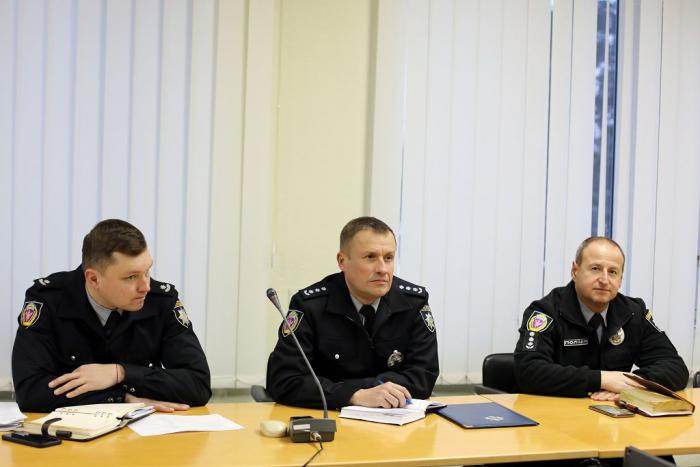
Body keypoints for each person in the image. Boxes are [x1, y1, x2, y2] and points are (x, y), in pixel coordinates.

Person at [12, 219, 211, 412]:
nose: (146, 287)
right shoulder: (49, 300)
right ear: (94, 279)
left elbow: (198, 385)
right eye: (131, 277)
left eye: (147, 272)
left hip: (143, 429)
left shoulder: (161, 301)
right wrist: (120, 399)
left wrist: (120, 373)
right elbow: (30, 392)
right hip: (70, 431)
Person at [266, 216, 439, 409]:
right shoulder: (310, 306)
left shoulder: (413, 303)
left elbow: (424, 376)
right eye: (370, 257)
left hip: (396, 418)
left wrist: (369, 392)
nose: (382, 269)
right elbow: (284, 380)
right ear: (342, 261)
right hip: (332, 417)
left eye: (388, 258)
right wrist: (353, 395)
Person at [514, 236, 689, 400]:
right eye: (595, 269)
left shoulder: (634, 312)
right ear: (575, 271)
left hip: (613, 414)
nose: (604, 280)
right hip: (558, 414)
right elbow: (528, 371)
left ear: (620, 279)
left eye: (613, 272)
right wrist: (602, 380)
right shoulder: (545, 312)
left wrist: (629, 384)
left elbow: (675, 367)